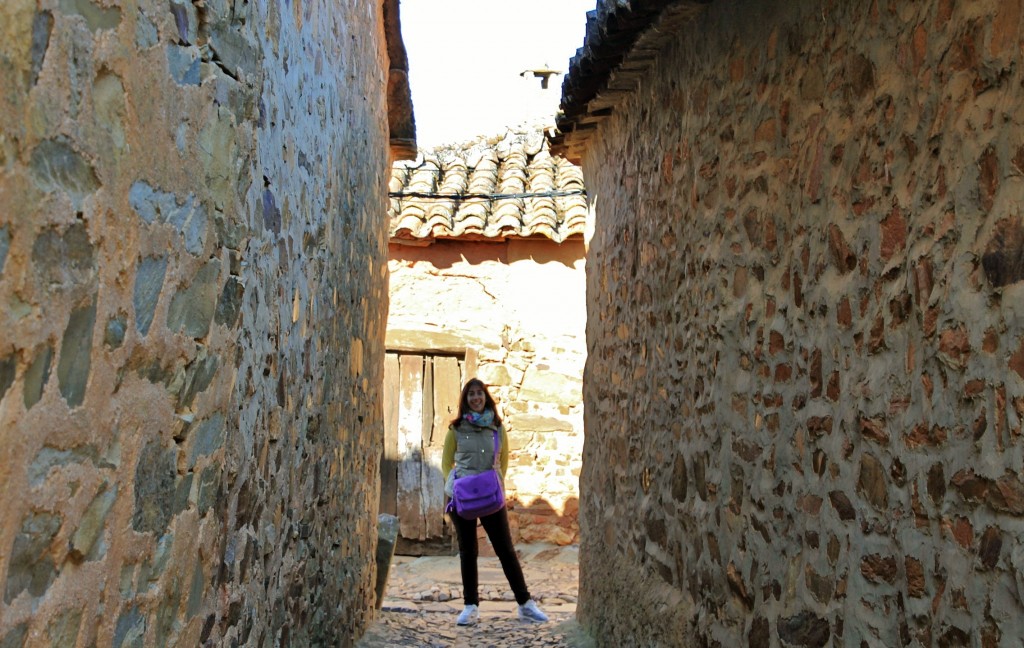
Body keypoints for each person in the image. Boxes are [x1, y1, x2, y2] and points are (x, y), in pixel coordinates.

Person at [441, 378, 549, 626]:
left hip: (490, 495)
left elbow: (503, 461)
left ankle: (525, 604)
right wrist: (454, 486)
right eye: (471, 394)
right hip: (463, 497)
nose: (476, 398)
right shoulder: (456, 429)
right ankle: (470, 606)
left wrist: (496, 484)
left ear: (486, 397)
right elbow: (446, 462)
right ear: (465, 400)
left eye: (479, 393)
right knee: (468, 551)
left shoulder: (497, 428)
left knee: (505, 550)